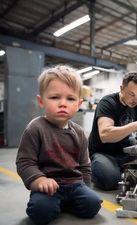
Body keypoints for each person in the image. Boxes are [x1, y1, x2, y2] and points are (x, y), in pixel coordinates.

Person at [16, 65, 102, 225]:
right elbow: (25, 162)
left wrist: (86, 187)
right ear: (41, 101)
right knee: (40, 212)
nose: (63, 104)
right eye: (55, 97)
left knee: (92, 205)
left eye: (70, 99)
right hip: (47, 187)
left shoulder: (80, 133)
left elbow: (84, 165)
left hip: (75, 185)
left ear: (79, 103)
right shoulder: (35, 128)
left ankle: (65, 202)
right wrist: (38, 180)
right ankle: (53, 203)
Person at [88, 72, 137, 191]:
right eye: (131, 94)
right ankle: (95, 168)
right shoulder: (107, 103)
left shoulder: (136, 108)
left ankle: (121, 169)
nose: (135, 100)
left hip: (124, 152)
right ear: (122, 89)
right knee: (110, 180)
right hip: (104, 153)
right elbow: (105, 135)